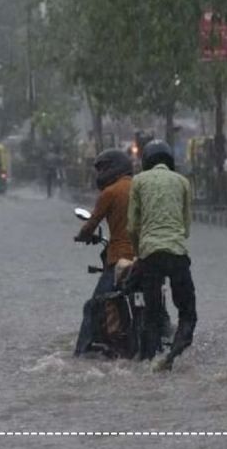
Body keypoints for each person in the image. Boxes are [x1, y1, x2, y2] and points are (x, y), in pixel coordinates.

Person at [128, 140, 196, 370]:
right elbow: (186, 228)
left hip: (149, 254)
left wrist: (139, 254)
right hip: (177, 253)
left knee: (151, 314)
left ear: (145, 161)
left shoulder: (138, 181)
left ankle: (148, 362)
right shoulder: (183, 182)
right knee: (187, 313)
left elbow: (132, 227)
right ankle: (172, 355)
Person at [73, 149, 135, 356]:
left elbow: (91, 224)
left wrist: (82, 236)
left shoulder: (110, 193)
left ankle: (80, 354)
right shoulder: (141, 188)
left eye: (103, 169)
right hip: (146, 256)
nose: (100, 174)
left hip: (119, 258)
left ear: (113, 168)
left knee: (93, 306)